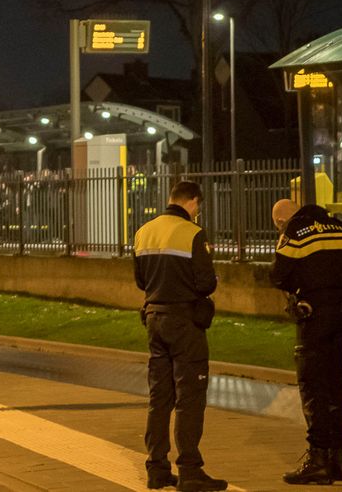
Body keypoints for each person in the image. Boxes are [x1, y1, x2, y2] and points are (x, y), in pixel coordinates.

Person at [133, 181, 226, 492]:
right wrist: (214, 279)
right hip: (184, 322)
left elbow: (140, 279)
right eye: (198, 205)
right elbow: (204, 283)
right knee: (190, 397)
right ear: (192, 201)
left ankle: (156, 468)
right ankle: (190, 470)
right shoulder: (192, 233)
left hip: (154, 318)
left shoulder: (144, 231)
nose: (198, 210)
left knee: (160, 396)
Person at [270, 199, 342, 485]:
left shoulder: (295, 232)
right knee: (336, 382)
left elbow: (278, 275)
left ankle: (318, 458)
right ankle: (340, 459)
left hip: (314, 313)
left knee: (312, 383)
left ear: (283, 220)